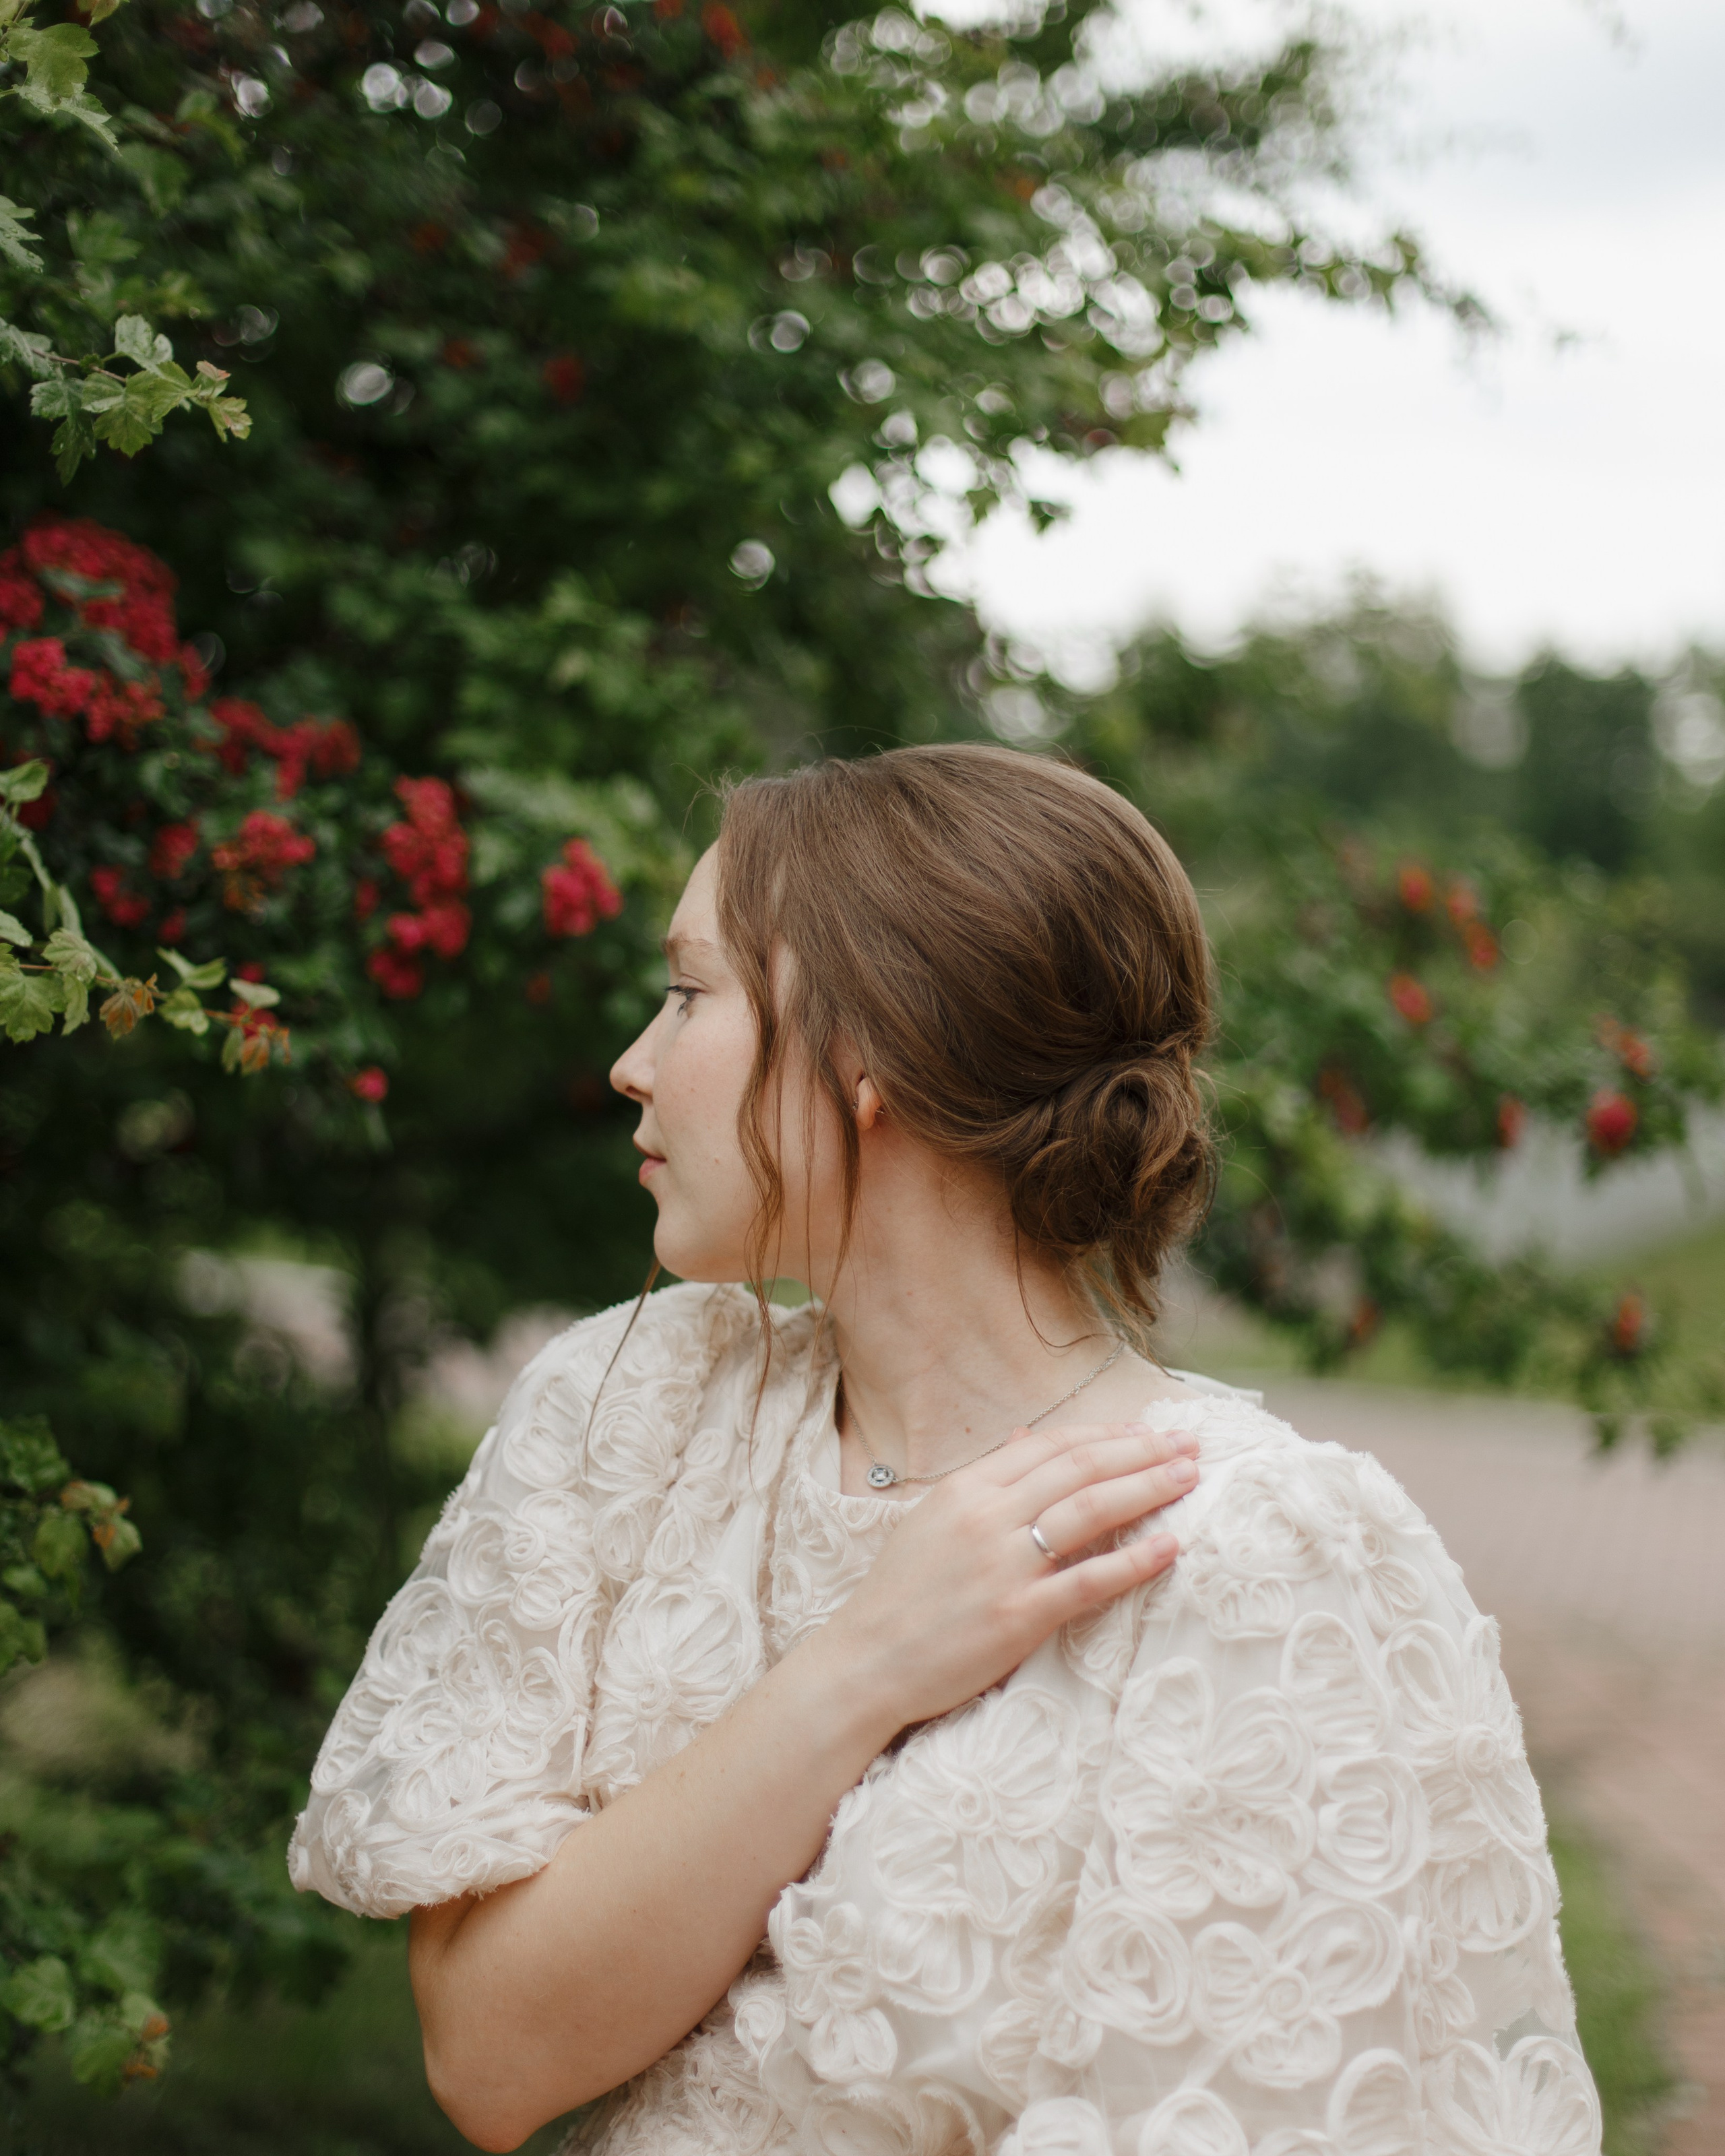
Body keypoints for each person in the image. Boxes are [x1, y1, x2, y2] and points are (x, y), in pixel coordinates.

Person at [290, 744, 1601, 2156]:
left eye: (687, 994)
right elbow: (488, 2060)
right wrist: (864, 1663)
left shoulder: (1243, 1554)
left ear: (868, 1051)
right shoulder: (631, 1414)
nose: (631, 1063)